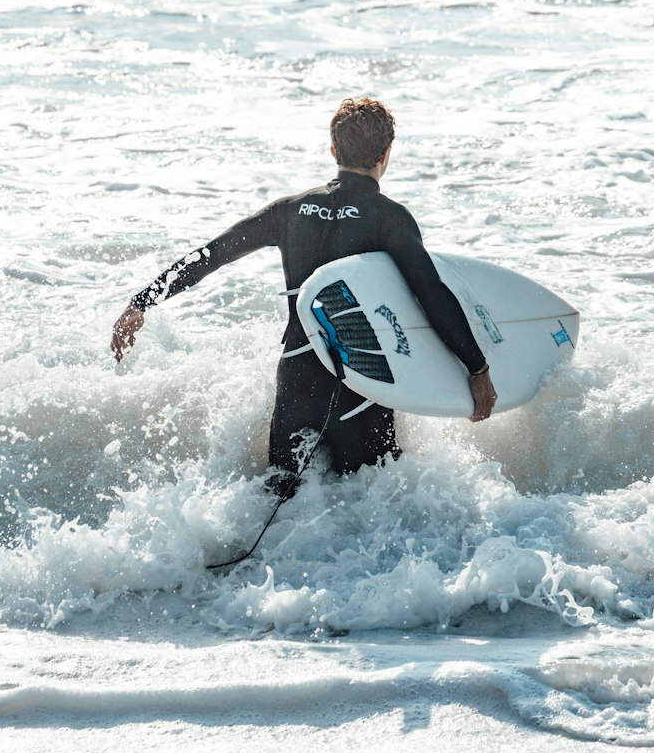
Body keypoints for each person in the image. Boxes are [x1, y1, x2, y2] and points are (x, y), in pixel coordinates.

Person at [111, 97, 497, 499]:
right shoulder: (389, 218)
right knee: (370, 512)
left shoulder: (290, 210)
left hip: (297, 381)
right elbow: (431, 295)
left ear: (333, 150)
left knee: (280, 506)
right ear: (386, 154)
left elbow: (213, 253)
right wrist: (477, 367)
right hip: (362, 384)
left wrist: (143, 301)